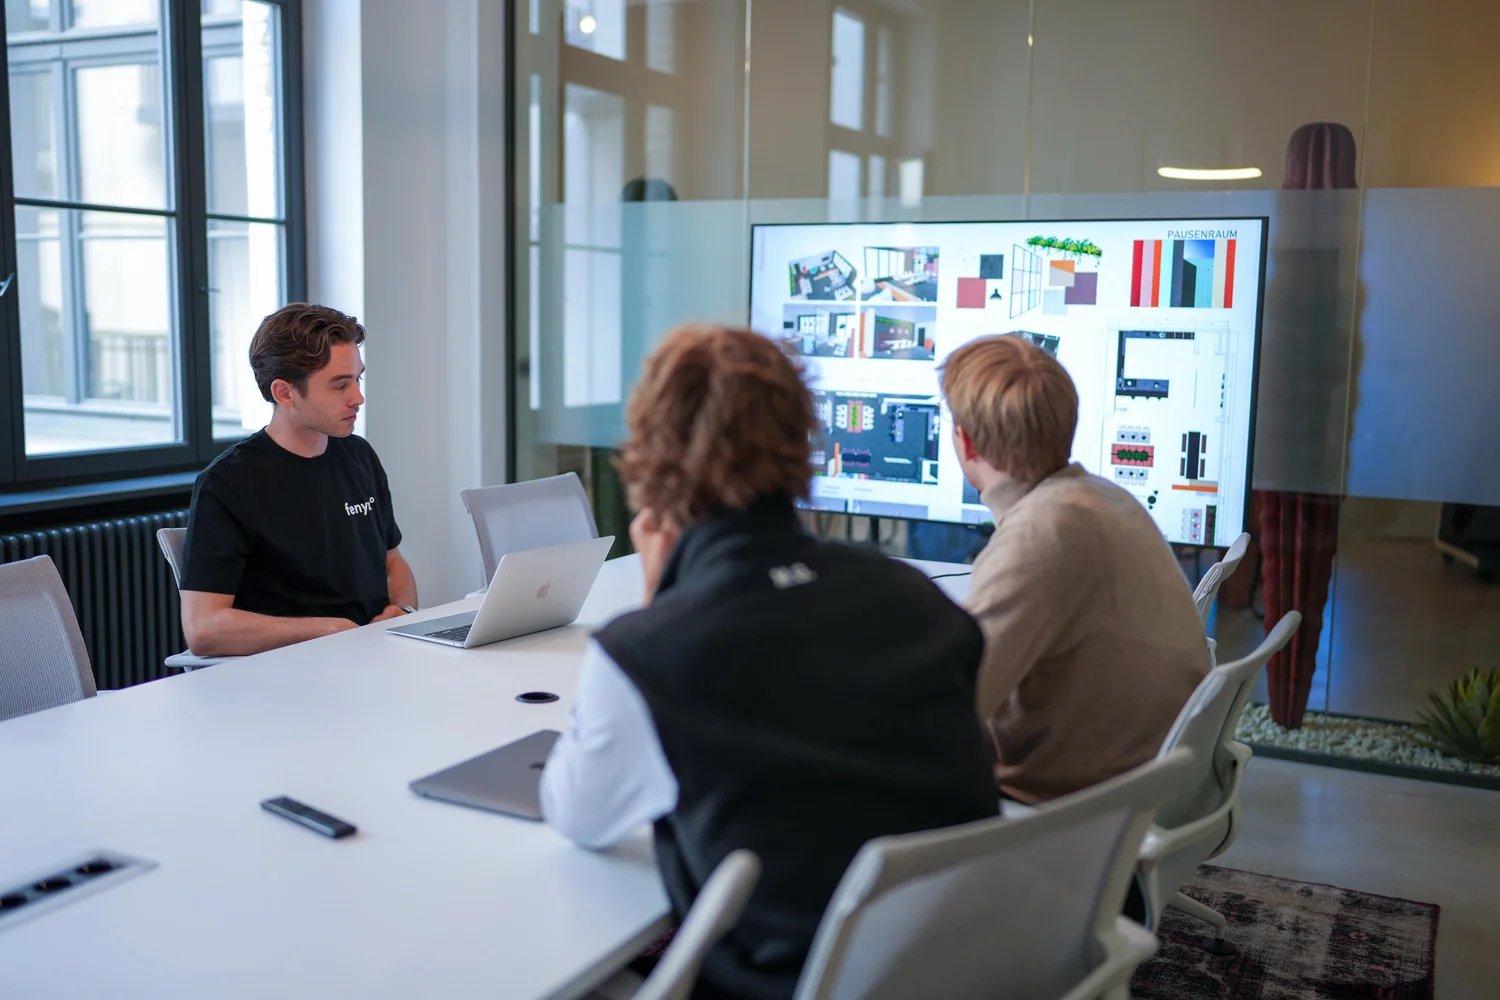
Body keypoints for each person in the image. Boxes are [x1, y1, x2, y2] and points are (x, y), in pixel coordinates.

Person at [541, 323, 998, 1000]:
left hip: (789, 981)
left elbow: (579, 816)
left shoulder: (648, 655)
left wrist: (655, 605)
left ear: (651, 457)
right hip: (971, 958)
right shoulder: (914, 595)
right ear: (802, 437)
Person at [941, 334, 1210, 804]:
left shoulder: (1040, 535)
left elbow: (947, 711)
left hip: (1072, 808)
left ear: (964, 442)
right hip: (1145, 783)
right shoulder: (1103, 497)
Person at [179, 304, 417, 657]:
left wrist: (403, 611)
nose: (358, 398)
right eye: (340, 385)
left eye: (357, 379)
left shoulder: (360, 456)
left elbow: (393, 562)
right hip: (290, 675)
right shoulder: (229, 482)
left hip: (372, 658)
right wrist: (329, 629)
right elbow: (203, 629)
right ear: (285, 393)